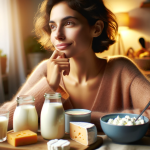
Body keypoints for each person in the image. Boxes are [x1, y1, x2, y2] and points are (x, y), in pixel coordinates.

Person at [1, 0, 150, 132]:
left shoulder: (121, 69)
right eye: (53, 26)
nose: (58, 34)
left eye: (68, 23)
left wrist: (88, 119)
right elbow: (4, 120)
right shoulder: (46, 70)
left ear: (96, 28)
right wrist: (49, 85)